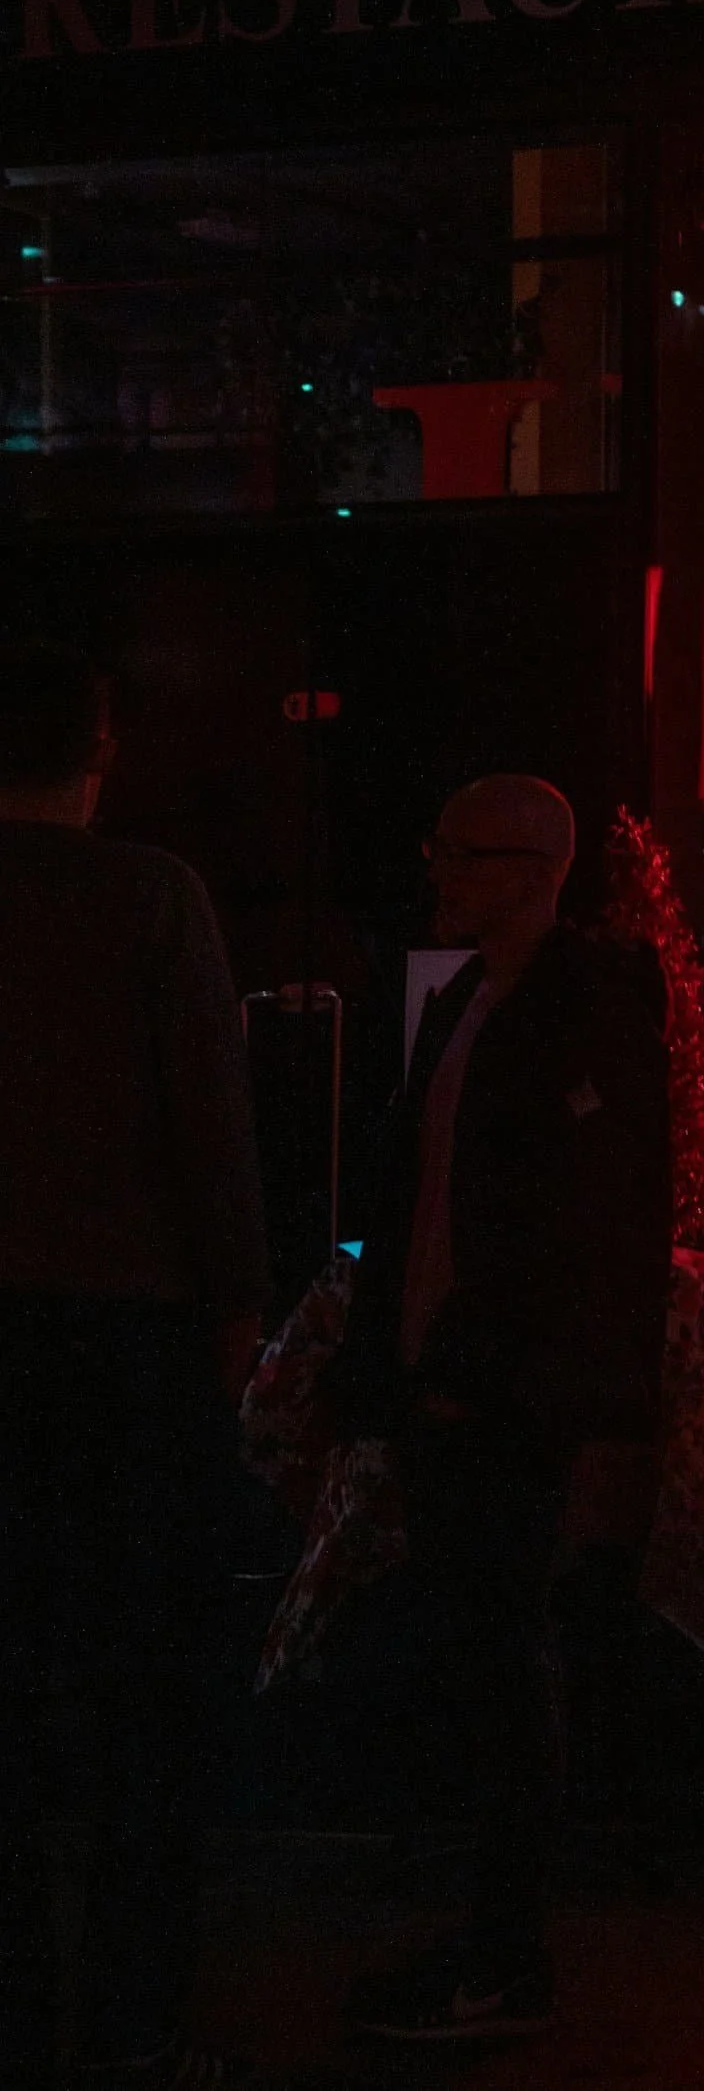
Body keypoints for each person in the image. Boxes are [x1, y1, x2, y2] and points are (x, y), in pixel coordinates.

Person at [330, 775, 672, 2041]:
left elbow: (574, 1226)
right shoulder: (484, 999)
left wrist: (462, 1363)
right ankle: (494, 1945)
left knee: (501, 1662)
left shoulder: (550, 1008)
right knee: (492, 1662)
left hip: (493, 1393)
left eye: (459, 854)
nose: (438, 872)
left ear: (529, 869)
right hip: (467, 1385)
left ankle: (503, 1953)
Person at [0, 642, 271, 2090]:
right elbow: (208, 1124)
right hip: (127, 1340)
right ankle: (131, 2021)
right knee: (146, 1703)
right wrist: (235, 1316)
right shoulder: (152, 898)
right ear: (97, 750)